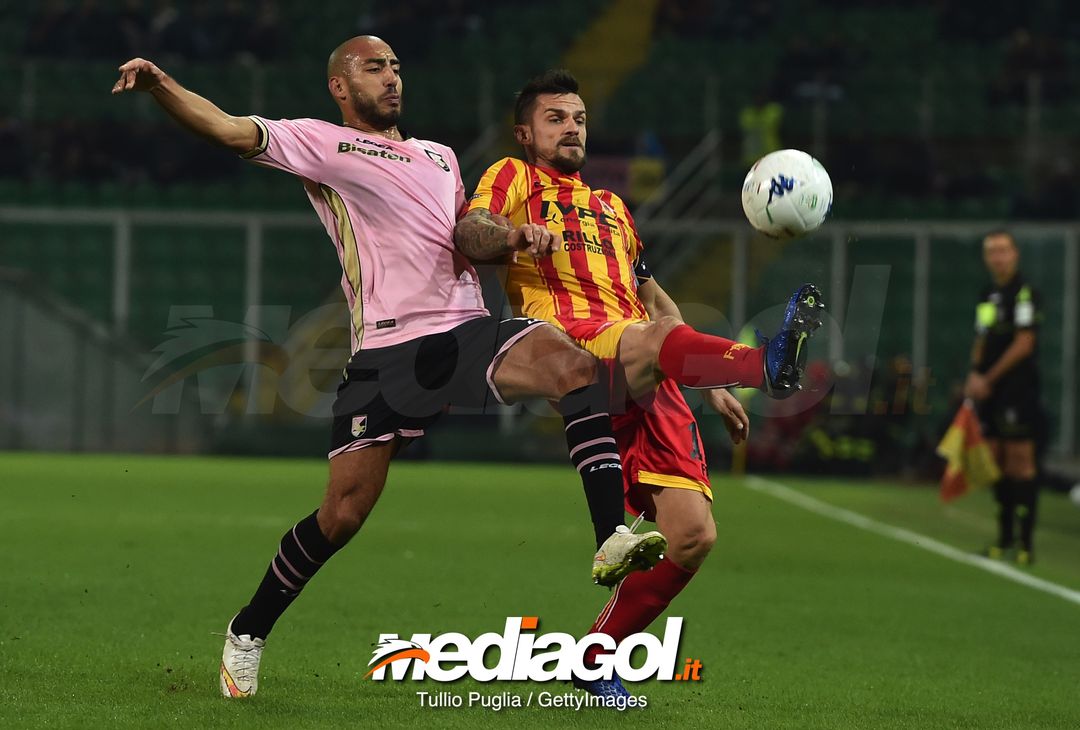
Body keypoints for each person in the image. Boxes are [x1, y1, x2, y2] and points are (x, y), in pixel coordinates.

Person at [112, 36, 662, 699]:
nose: (391, 78)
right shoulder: (321, 144)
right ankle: (249, 630)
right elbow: (230, 131)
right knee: (341, 515)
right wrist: (162, 85)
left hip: (461, 331)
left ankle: (610, 539)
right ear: (341, 87)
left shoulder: (440, 157)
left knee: (572, 367)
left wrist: (511, 235)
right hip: (386, 352)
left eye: (396, 66)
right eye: (374, 68)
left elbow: (469, 235)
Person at [455, 69, 825, 699]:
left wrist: (708, 380)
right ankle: (767, 367)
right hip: (576, 352)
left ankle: (594, 660)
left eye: (578, 118)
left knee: (692, 536)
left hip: (648, 367)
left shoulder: (614, 210)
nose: (571, 127)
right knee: (652, 341)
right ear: (525, 132)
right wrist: (514, 235)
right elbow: (470, 231)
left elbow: (659, 304)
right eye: (555, 118)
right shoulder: (513, 178)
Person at [964, 230, 1043, 565]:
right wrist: (973, 373)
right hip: (990, 390)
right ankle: (1003, 538)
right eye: (991, 251)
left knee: (1020, 461)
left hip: (1018, 388)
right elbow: (982, 337)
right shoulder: (988, 294)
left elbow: (1025, 343)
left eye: (1003, 250)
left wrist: (989, 377)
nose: (998, 257)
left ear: (1015, 254)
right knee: (995, 457)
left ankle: (1025, 544)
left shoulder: (1025, 293)